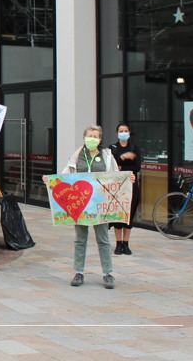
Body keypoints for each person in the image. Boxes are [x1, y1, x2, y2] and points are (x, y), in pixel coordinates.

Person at [45, 125, 134, 289]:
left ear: (100, 139)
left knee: (103, 239)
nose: (92, 139)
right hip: (80, 205)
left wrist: (128, 180)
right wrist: (51, 181)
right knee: (80, 239)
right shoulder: (77, 156)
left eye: (95, 136)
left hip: (100, 204)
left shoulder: (107, 156)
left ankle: (108, 273)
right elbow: (66, 177)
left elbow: (115, 175)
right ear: (84, 137)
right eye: (89, 136)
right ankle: (78, 271)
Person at [108, 123, 141, 255]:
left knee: (129, 214)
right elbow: (112, 166)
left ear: (129, 132)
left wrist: (123, 167)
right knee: (118, 214)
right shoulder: (112, 148)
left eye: (126, 131)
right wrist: (123, 157)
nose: (123, 133)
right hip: (117, 186)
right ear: (117, 133)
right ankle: (118, 243)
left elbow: (137, 167)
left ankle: (126, 243)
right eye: (121, 131)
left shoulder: (134, 148)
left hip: (132, 185)